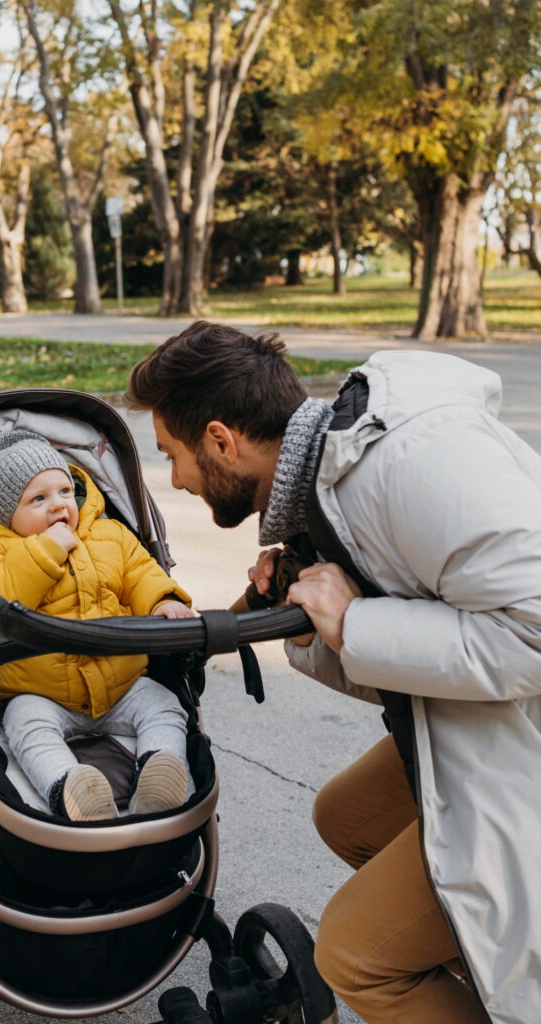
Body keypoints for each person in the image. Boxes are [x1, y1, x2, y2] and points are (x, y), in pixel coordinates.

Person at [125, 320, 541, 1024]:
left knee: (353, 956)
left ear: (223, 440)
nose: (175, 479)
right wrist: (310, 614)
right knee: (346, 817)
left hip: (522, 737)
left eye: (173, 455)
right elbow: (406, 666)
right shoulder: (329, 486)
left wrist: (357, 623)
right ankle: (482, 978)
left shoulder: (411, 462)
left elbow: (533, 632)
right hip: (487, 719)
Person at [0, 428, 196, 822]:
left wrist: (165, 602)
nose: (58, 505)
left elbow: (142, 574)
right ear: (7, 514)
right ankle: (71, 788)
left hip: (119, 685)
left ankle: (160, 773)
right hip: (38, 693)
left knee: (164, 704)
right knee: (24, 724)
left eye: (63, 491)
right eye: (38, 499)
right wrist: (45, 551)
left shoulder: (109, 535)